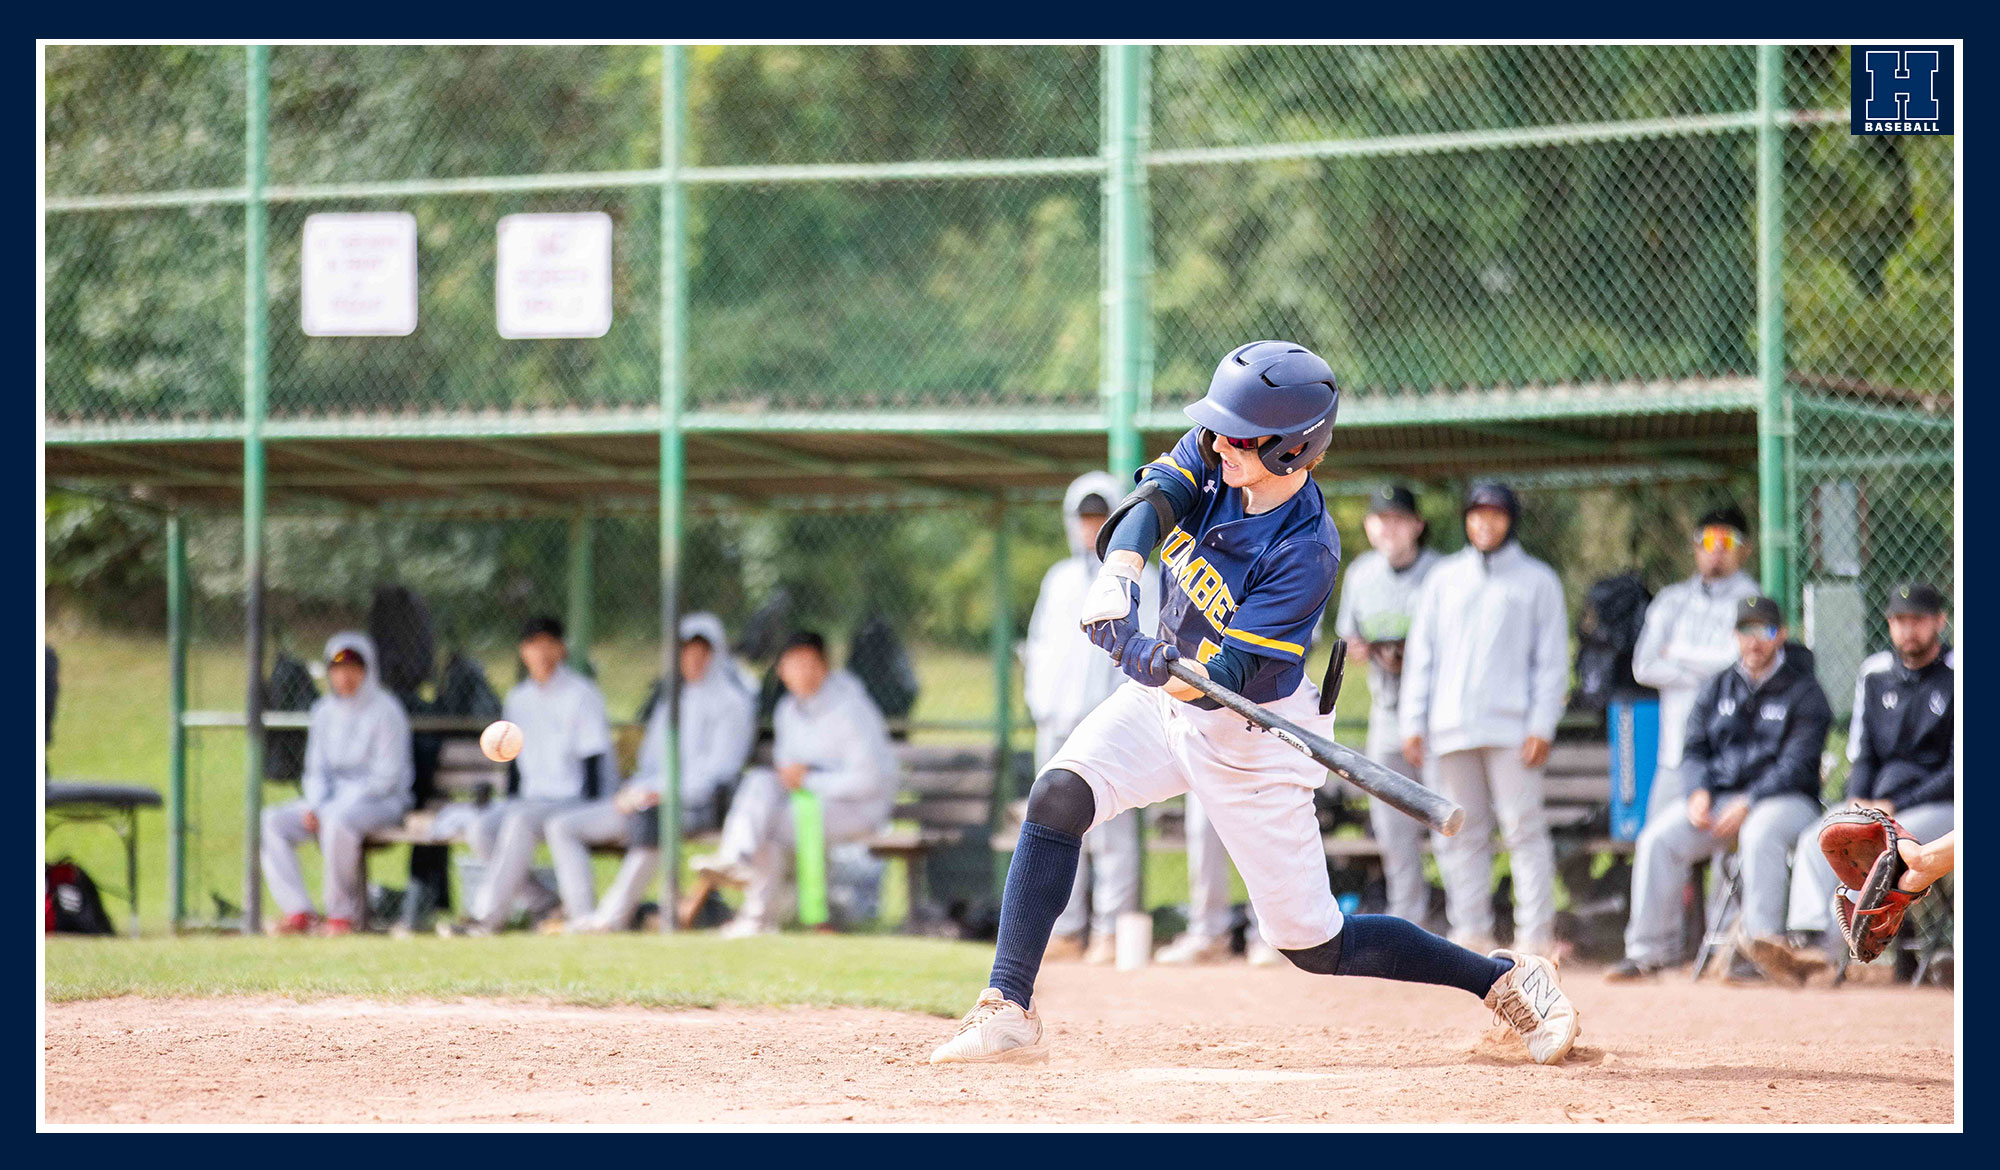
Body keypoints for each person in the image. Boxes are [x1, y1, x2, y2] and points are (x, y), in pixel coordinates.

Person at [929, 341, 1579, 1067]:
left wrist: (1153, 661)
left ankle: (1503, 978)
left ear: (1295, 449)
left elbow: (1224, 678)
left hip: (1251, 734)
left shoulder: (1308, 549)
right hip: (1168, 701)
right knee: (1057, 794)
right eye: (1218, 429)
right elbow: (1154, 501)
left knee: (1317, 944)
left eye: (1243, 436)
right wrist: (1120, 570)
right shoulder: (1215, 449)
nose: (1220, 442)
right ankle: (1008, 1007)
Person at [1605, 596, 1830, 982]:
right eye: (1746, 630)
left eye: (1766, 630)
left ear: (1782, 636)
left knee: (1760, 832)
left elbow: (1798, 765)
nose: (1755, 641)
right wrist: (1697, 792)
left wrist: (1750, 801)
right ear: (1735, 635)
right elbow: (1694, 749)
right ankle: (1648, 952)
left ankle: (1759, 952)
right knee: (1658, 838)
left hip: (1785, 801)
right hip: (1721, 800)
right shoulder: (1717, 686)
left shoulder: (1804, 692)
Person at [1751, 582, 1954, 981]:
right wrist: (1860, 800)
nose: (1908, 630)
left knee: (1887, 848)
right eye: (1899, 620)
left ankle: (1833, 955)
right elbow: (1862, 753)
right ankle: (1810, 949)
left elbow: (1959, 768)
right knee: (1819, 837)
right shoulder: (1875, 673)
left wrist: (1898, 804)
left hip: (1942, 803)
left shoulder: (1958, 672)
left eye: (1918, 620)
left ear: (1940, 622)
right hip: (1881, 803)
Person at [1399, 481, 1569, 956]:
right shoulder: (1444, 579)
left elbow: (1552, 662)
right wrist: (1413, 721)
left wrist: (1542, 725)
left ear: (1510, 519)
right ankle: (1470, 936)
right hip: (1450, 729)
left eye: (1494, 514)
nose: (1484, 523)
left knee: (1523, 831)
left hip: (1513, 731)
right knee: (1460, 834)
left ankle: (1534, 938)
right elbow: (1422, 656)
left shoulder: (1538, 581)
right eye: (1476, 514)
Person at [545, 612, 757, 933]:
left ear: (716, 654)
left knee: (652, 818)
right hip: (650, 796)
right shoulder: (671, 701)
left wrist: (663, 792)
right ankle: (582, 916)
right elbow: (650, 763)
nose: (694, 659)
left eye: (703, 652)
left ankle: (611, 918)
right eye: (686, 651)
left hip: (699, 805)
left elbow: (719, 772)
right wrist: (636, 790)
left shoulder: (732, 704)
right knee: (562, 826)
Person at [1026, 473, 1158, 965]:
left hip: (1108, 719)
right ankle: (1065, 928)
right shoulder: (1058, 579)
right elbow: (1039, 646)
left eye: (1101, 517)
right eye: (1084, 518)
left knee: (1111, 832)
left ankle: (1110, 929)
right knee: (1056, 827)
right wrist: (1039, 704)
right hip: (1055, 722)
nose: (1091, 527)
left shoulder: (1140, 576)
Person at [691, 631, 895, 938]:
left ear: (824, 666)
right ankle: (734, 858)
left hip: (859, 809)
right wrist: (796, 780)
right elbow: (787, 771)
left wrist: (811, 780)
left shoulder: (851, 709)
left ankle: (756, 915)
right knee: (760, 780)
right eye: (792, 664)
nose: (801, 672)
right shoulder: (787, 710)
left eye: (808, 663)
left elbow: (870, 781)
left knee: (769, 826)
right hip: (807, 804)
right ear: (781, 671)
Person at [443, 615, 615, 936]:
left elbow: (594, 759)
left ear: (562, 649)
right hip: (530, 799)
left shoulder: (581, 694)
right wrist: (507, 801)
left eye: (549, 644)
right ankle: (544, 902)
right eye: (534, 645)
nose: (542, 652)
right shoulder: (518, 699)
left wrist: (590, 810)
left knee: (519, 822)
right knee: (480, 828)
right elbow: (513, 762)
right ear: (524, 651)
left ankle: (485, 918)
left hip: (572, 798)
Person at [1332, 483, 1442, 926]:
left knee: (1451, 828)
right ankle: (1408, 920)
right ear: (1368, 526)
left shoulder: (1440, 573)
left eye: (1399, 518)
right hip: (1386, 713)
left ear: (1417, 525)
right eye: (1381, 518)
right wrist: (1359, 648)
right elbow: (1347, 633)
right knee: (1393, 831)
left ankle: (1464, 919)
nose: (1389, 527)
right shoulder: (1360, 575)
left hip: (1439, 717)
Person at [261, 632, 414, 935]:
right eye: (337, 668)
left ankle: (341, 915)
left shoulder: (387, 711)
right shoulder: (323, 712)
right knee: (270, 821)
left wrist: (329, 808)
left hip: (382, 801)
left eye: (353, 668)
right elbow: (316, 772)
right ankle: (299, 911)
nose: (345, 676)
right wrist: (315, 805)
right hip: (330, 802)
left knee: (336, 822)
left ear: (367, 670)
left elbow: (387, 777)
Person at [1631, 505, 1762, 819]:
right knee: (1656, 843)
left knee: (1726, 857)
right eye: (1706, 540)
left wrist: (1675, 655)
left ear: (1745, 549)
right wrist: (1707, 669)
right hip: (1674, 754)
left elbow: (1738, 665)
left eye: (1727, 541)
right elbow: (1643, 667)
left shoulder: (1753, 600)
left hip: (1730, 756)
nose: (1716, 550)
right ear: (1694, 546)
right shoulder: (1671, 599)